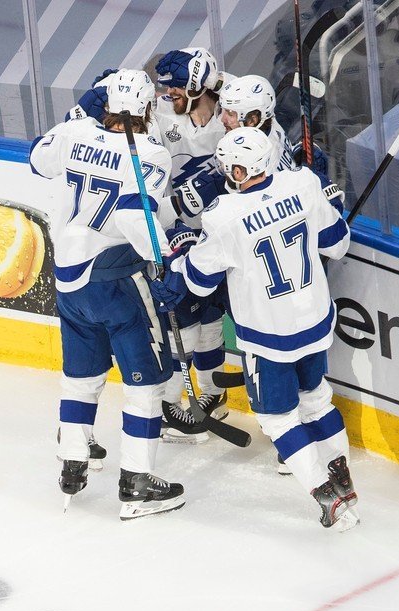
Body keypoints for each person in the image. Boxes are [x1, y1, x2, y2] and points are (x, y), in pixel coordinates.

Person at [152, 127, 358, 530]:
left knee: (279, 420)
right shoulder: (303, 184)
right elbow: (337, 244)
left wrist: (174, 265)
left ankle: (324, 492)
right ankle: (344, 481)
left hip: (269, 338)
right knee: (316, 399)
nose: (231, 171)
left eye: (236, 165)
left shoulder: (223, 216)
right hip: (315, 322)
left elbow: (197, 281)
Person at [29, 69, 184, 520]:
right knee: (146, 387)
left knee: (80, 377)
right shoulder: (151, 154)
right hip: (117, 281)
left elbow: (38, 159)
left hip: (68, 280)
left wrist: (79, 125)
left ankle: (73, 462)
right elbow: (139, 218)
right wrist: (165, 258)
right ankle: (136, 482)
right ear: (146, 110)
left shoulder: (76, 130)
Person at [153, 47, 230, 430]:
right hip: (176, 229)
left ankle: (213, 392)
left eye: (176, 90)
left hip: (226, 233)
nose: (168, 96)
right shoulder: (160, 115)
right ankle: (175, 401)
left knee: (213, 315)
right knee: (182, 319)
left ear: (198, 86)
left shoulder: (233, 111)